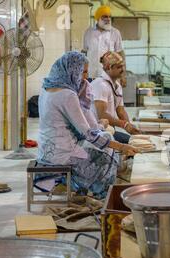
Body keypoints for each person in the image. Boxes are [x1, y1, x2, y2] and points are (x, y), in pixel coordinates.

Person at [37, 52, 139, 199]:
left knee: (105, 139)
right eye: (83, 72)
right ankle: (102, 196)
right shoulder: (67, 95)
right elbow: (88, 134)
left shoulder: (47, 88)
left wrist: (100, 126)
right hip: (61, 155)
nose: (85, 77)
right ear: (71, 70)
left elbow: (84, 124)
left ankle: (88, 190)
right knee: (107, 155)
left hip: (46, 150)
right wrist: (122, 147)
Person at [91, 51, 141, 144]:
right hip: (97, 132)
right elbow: (102, 115)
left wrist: (129, 126)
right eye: (119, 67)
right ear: (109, 68)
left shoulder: (117, 85)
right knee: (130, 143)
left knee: (133, 140)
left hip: (109, 129)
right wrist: (124, 124)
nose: (123, 69)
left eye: (123, 66)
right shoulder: (100, 85)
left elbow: (120, 111)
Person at [82, 5, 126, 87]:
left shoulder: (115, 33)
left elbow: (121, 54)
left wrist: (123, 75)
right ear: (98, 18)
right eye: (105, 16)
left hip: (109, 75)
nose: (108, 19)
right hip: (92, 75)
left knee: (109, 98)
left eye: (109, 16)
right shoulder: (88, 32)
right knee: (91, 98)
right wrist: (82, 72)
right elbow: (84, 53)